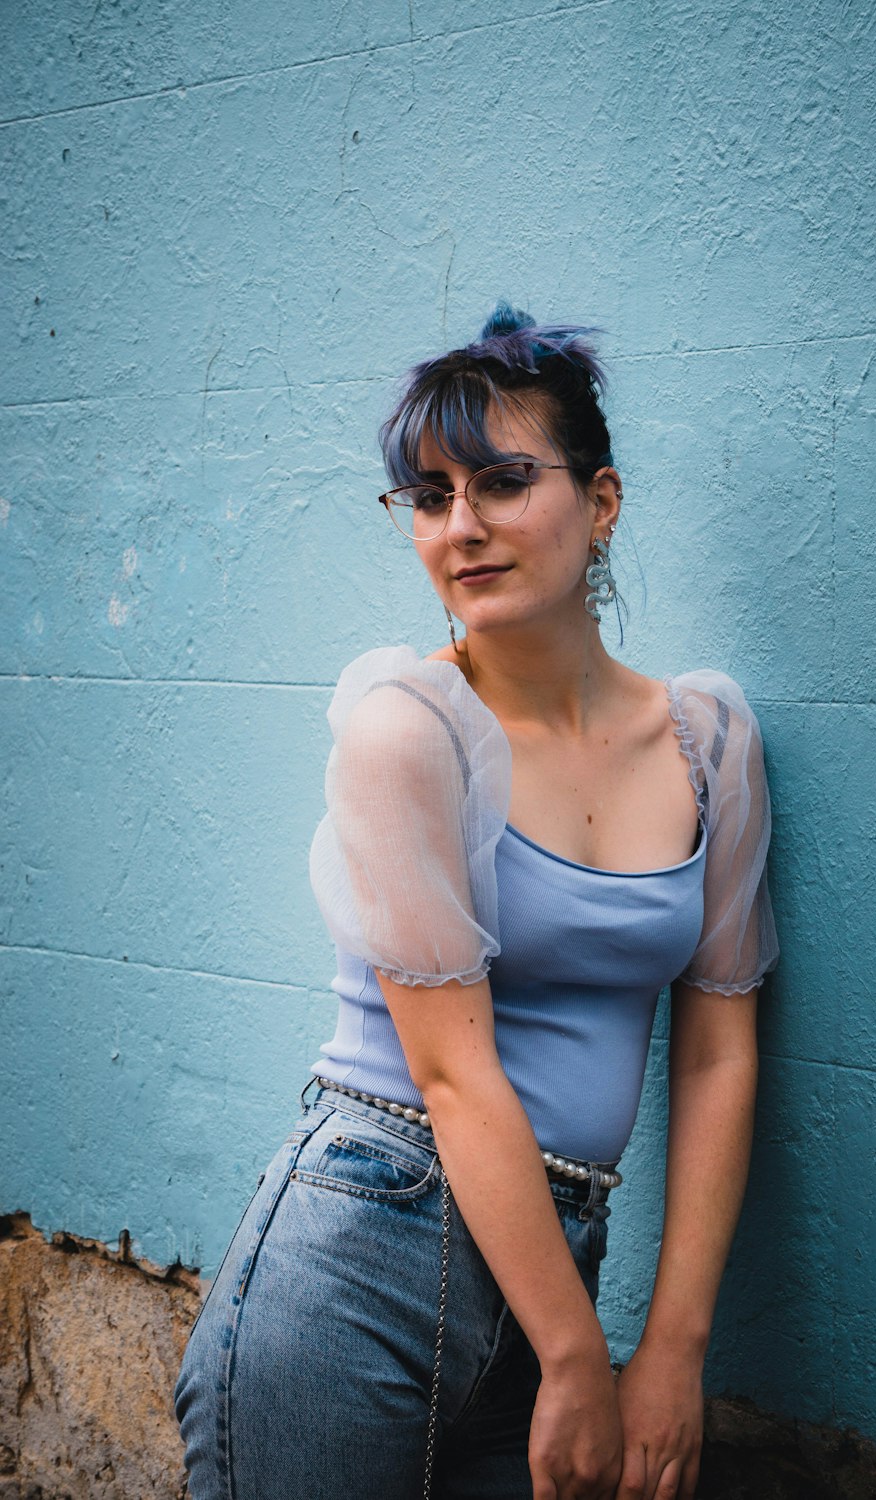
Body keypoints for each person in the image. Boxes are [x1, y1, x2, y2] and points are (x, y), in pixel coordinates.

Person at [173, 301, 780, 1500]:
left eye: (502, 481)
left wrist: (669, 1348)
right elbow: (451, 1076)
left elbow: (717, 1048)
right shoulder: (405, 731)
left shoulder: (708, 740)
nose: (463, 526)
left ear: (600, 502)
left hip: (557, 1259)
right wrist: (572, 1356)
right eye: (429, 495)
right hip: (364, 1252)